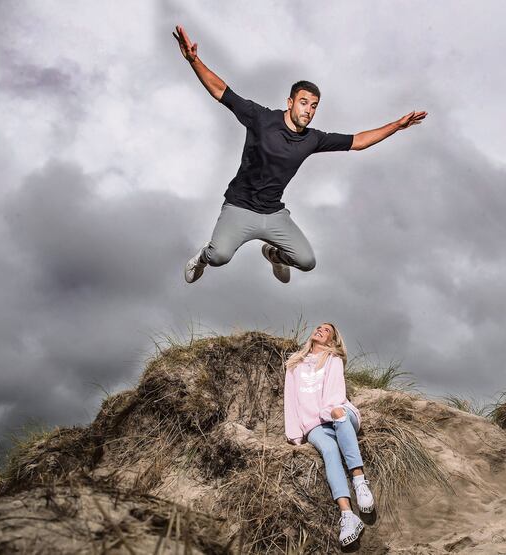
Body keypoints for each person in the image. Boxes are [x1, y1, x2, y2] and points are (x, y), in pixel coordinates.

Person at [172, 25, 428, 284]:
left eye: (314, 106)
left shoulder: (313, 138)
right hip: (239, 206)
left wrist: (397, 126)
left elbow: (359, 141)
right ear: (290, 102)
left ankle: (273, 255)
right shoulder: (261, 118)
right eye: (304, 102)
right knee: (219, 257)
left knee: (307, 261)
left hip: (273, 213)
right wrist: (194, 60)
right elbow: (221, 91)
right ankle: (202, 257)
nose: (309, 110)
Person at [284, 322, 374, 547]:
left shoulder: (333, 360)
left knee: (338, 414)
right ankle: (348, 516)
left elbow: (335, 396)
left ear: (332, 341)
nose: (320, 330)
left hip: (339, 413)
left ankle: (360, 482)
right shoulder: (295, 364)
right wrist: (295, 432)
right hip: (315, 424)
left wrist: (330, 414)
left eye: (327, 330)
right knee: (329, 449)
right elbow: (291, 400)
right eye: (319, 327)